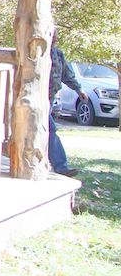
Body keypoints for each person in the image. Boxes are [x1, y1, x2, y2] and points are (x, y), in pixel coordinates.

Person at [48, 33, 87, 177]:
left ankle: (54, 164)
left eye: (55, 36)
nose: (55, 39)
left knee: (46, 131)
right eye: (52, 36)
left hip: (50, 99)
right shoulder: (35, 52)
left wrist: (79, 89)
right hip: (35, 100)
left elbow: (67, 75)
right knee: (50, 130)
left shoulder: (58, 54)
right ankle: (60, 166)